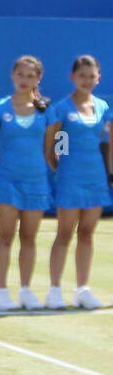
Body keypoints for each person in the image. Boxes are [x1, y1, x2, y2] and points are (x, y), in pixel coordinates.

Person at [0, 55, 51, 311]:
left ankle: (25, 291)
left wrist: (62, 163)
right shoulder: (0, 109)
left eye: (30, 75)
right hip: (7, 183)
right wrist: (0, 174)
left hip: (36, 184)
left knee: (29, 238)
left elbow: (56, 146)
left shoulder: (48, 110)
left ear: (38, 78)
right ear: (13, 76)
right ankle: (1, 292)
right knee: (5, 237)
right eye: (20, 75)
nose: (25, 80)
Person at [44, 55, 110, 310]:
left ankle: (82, 290)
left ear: (98, 79)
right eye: (82, 75)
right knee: (64, 234)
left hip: (95, 179)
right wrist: (63, 171)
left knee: (87, 234)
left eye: (91, 76)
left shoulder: (103, 107)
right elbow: (56, 149)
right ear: (72, 77)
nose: (87, 80)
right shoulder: (62, 109)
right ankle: (54, 290)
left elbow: (104, 143)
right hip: (70, 179)